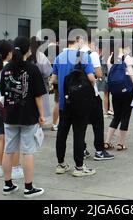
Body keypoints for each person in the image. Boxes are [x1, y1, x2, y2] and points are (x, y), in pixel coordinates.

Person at [0, 36, 46, 197]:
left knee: (8, 150)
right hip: (28, 116)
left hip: (10, 114)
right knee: (28, 152)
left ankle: (7, 185)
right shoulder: (32, 69)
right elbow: (38, 96)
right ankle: (28, 187)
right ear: (29, 50)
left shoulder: (6, 69)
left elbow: (3, 91)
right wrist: (41, 115)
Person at [52, 38, 97, 177]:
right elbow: (91, 77)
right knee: (79, 134)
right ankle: (79, 167)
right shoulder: (84, 57)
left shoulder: (59, 57)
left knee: (62, 133)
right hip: (80, 104)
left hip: (64, 102)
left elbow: (53, 79)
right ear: (78, 40)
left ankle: (61, 164)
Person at [0, 40, 24, 180]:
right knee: (13, 139)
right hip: (10, 106)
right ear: (9, 53)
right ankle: (15, 168)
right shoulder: (12, 68)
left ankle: (0, 168)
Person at [80, 40, 114, 160]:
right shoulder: (92, 54)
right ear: (88, 42)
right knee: (98, 123)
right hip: (91, 93)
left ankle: (82, 149)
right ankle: (99, 151)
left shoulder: (74, 53)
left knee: (81, 124)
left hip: (77, 93)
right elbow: (99, 74)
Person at [104, 45, 133, 150]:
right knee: (125, 116)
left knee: (116, 116)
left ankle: (107, 142)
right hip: (127, 91)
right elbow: (131, 75)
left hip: (115, 92)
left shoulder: (110, 58)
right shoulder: (127, 58)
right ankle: (121, 143)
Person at [28, 37, 53, 120]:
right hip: (41, 84)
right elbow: (48, 72)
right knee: (41, 105)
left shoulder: (27, 55)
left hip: (28, 85)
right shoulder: (41, 56)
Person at [45, 41, 60, 131]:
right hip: (57, 80)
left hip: (49, 81)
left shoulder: (46, 59)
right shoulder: (58, 58)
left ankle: (53, 123)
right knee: (58, 102)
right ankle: (54, 123)